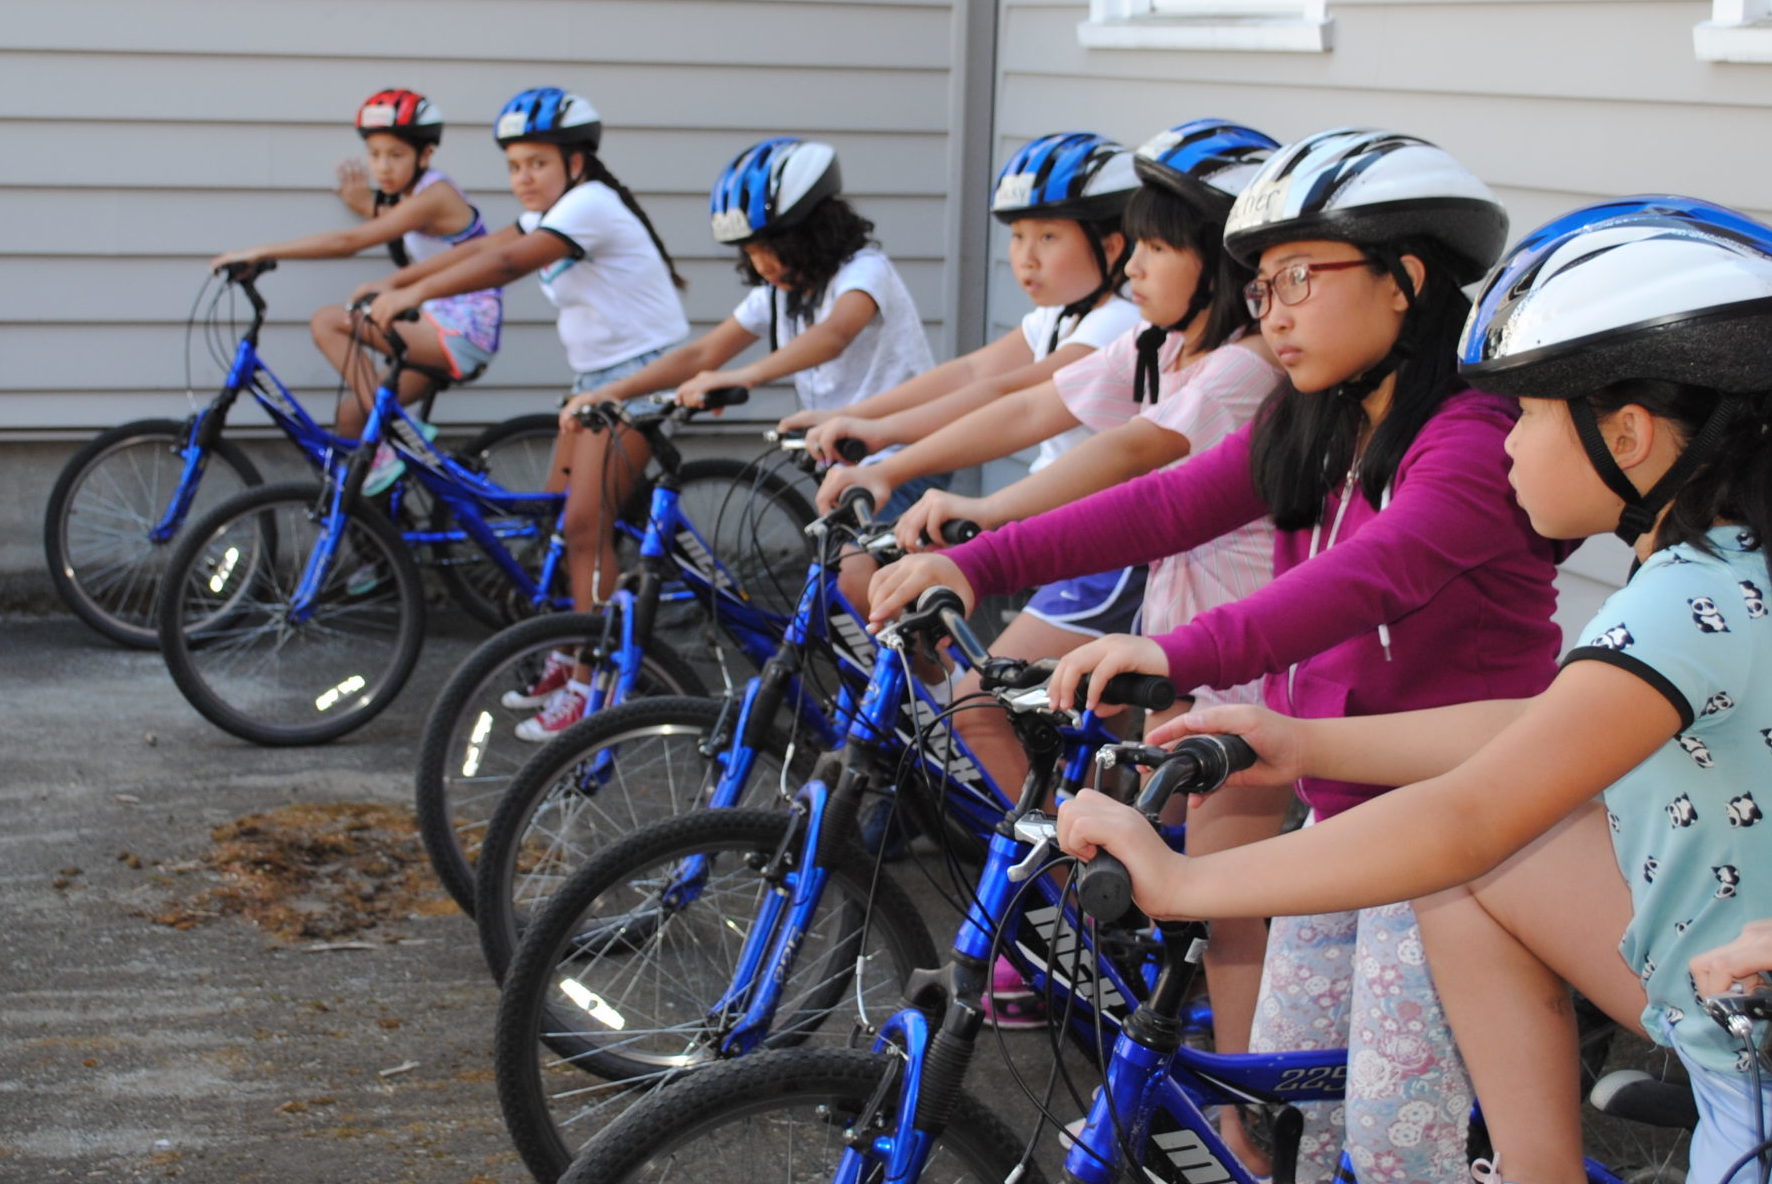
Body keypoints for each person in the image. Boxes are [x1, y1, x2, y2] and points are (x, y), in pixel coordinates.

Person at [870, 128, 1559, 1181]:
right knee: (1278, 1105)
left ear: (1405, 281)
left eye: (1296, 278)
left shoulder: (1468, 439)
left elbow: (1358, 580)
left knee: (1391, 1146)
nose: (1266, 308)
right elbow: (1164, 500)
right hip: (1338, 818)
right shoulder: (1317, 418)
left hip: (1459, 835)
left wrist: (1173, 646)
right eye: (1258, 282)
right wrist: (976, 555)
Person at [1057, 195, 1772, 1184]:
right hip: (1722, 997)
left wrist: (1184, 880)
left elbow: (1471, 811)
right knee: (1473, 878)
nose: (1504, 440)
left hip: (1749, 1082)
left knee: (1467, 855)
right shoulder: (1717, 568)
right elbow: (1543, 725)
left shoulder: (1679, 598)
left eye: (1525, 413)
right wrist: (1306, 745)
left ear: (1631, 433)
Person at [507, 136, 932, 740]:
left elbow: (836, 335)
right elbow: (704, 351)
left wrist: (745, 374)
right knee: (854, 608)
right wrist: (614, 391)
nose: (761, 264)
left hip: (904, 458)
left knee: (880, 606)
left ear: (815, 230)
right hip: (840, 464)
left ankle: (927, 715)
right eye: (750, 252)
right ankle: (883, 720)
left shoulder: (865, 273)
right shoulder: (778, 293)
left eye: (770, 247)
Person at [780, 131, 1141, 468]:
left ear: (1111, 247)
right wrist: (853, 415)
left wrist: (883, 436)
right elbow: (971, 371)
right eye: (1017, 236)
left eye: (1048, 237)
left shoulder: (1119, 322)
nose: (1026, 257)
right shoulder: (1061, 314)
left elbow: (1009, 395)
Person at [210, 89, 503, 458]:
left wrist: (260, 251)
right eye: (375, 154)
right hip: (435, 325)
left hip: (461, 332)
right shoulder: (417, 200)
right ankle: (376, 511)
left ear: (425, 155)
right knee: (351, 416)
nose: (382, 167)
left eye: (396, 155)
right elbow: (400, 223)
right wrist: (368, 204)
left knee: (328, 321)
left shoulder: (436, 195)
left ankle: (397, 439)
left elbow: (348, 242)